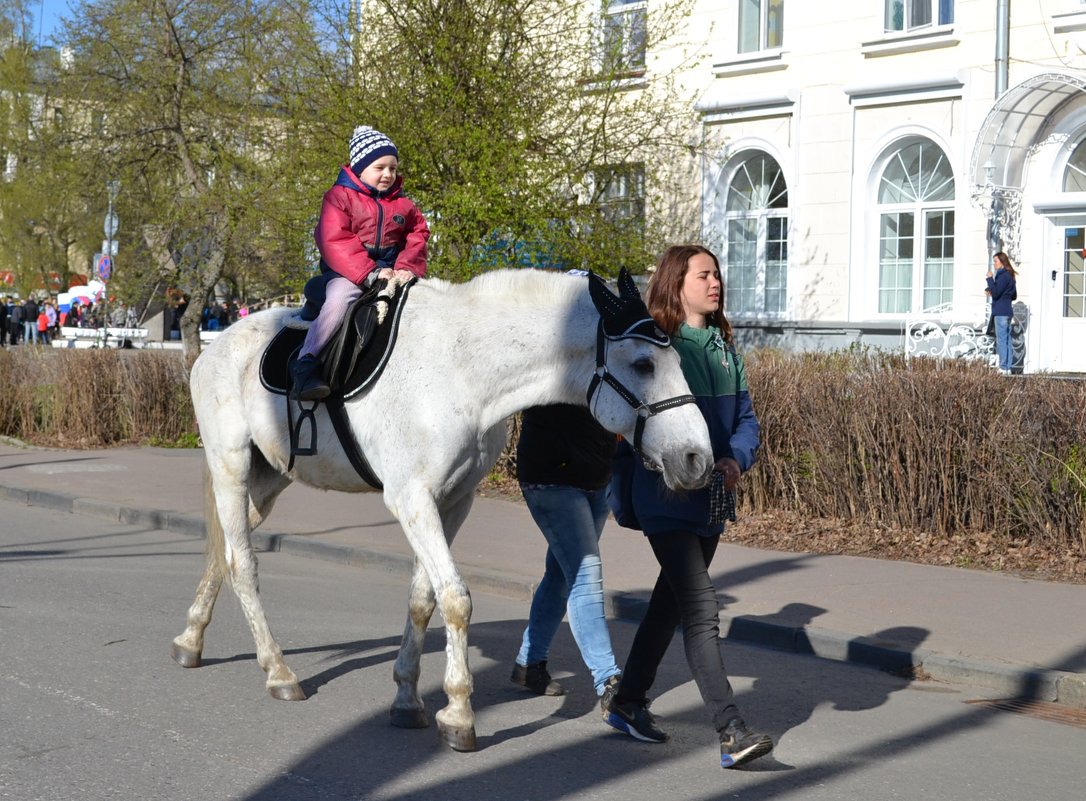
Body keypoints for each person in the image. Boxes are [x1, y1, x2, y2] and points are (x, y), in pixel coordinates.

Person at [603, 244, 773, 770]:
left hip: (712, 498)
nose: (715, 282)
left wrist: (735, 460)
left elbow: (747, 419)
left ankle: (628, 702)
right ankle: (730, 730)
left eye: (717, 274)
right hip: (665, 496)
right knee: (701, 611)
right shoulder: (660, 347)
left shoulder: (723, 347)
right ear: (678, 283)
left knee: (669, 605)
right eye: (704, 275)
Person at [290, 125, 430, 400]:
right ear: (359, 167)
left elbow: (418, 232)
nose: (388, 174)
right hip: (349, 273)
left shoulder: (403, 205)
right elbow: (334, 239)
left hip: (392, 272)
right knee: (341, 300)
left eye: (393, 168)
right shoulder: (338, 198)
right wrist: (369, 272)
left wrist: (406, 267)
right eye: (380, 167)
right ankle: (306, 362)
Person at [510, 404, 623, 707]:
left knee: (561, 574)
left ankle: (529, 664)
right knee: (585, 573)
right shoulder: (556, 354)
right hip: (552, 477)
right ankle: (609, 682)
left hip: (596, 476)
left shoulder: (609, 354)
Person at [986, 252, 1018, 375]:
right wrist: (994, 290)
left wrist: (989, 279)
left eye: (996, 261)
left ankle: (1003, 367)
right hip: (1007, 311)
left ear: (1002, 262)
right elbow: (1013, 295)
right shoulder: (1010, 275)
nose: (994, 264)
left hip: (1001, 312)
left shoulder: (1002, 275)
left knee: (1002, 340)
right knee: (1007, 340)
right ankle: (1008, 367)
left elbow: (997, 292)